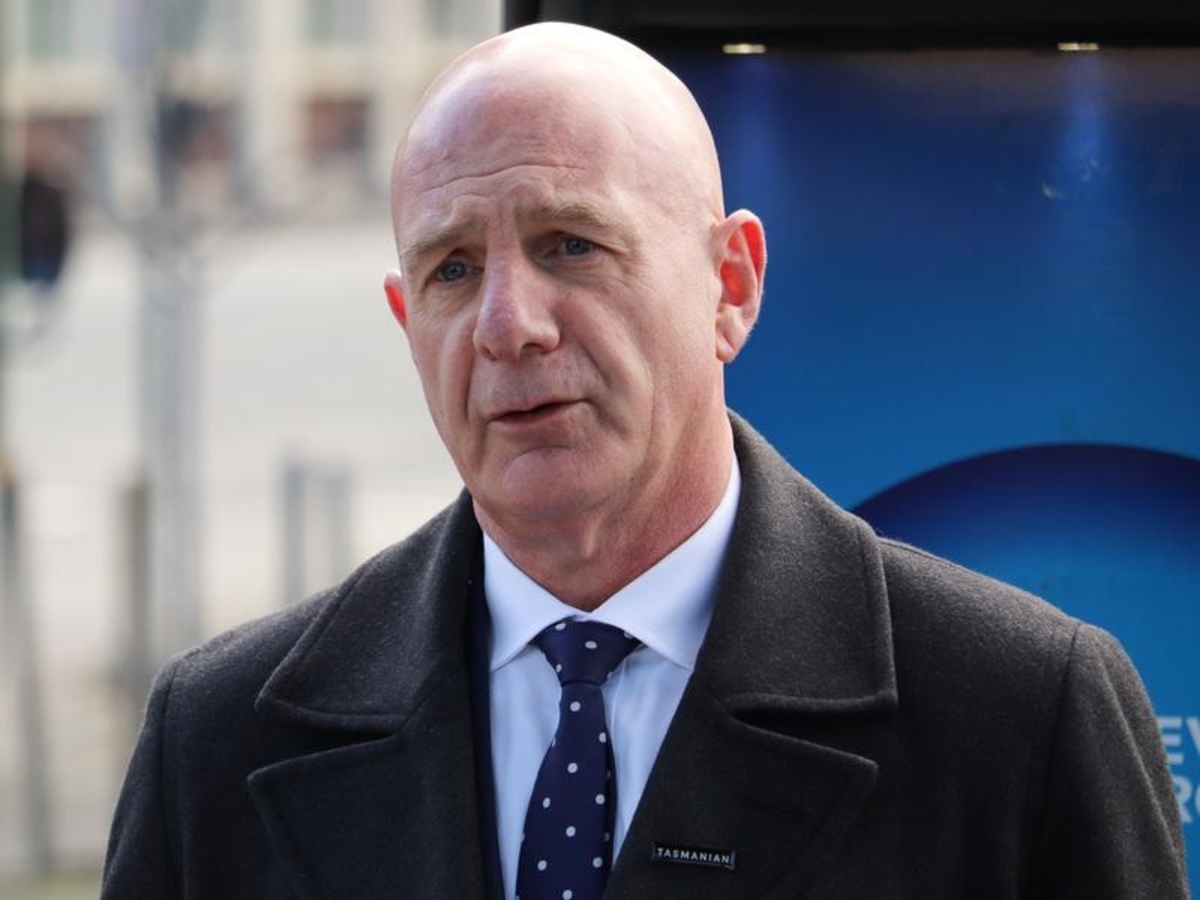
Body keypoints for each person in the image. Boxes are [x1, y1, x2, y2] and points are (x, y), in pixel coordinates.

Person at [101, 22, 1188, 900]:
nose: (508, 325)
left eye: (572, 245)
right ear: (406, 322)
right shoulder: (219, 741)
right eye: (452, 270)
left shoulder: (1020, 717)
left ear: (731, 286)